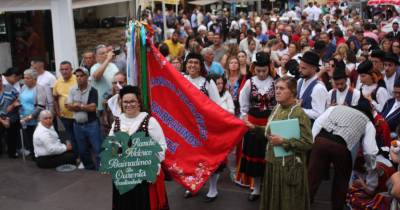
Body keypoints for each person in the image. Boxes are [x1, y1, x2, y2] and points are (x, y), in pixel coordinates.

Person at [308, 101, 379, 210]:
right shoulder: (367, 122)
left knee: (311, 179)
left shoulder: (336, 108)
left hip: (321, 140)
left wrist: (312, 145)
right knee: (341, 182)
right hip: (341, 147)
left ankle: (303, 204)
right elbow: (370, 152)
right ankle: (337, 207)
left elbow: (318, 123)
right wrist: (371, 169)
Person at [108, 85, 169, 210]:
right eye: (125, 102)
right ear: (121, 103)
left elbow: (162, 147)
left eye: (132, 101)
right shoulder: (117, 122)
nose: (128, 105)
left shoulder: (149, 121)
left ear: (138, 102)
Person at [260, 76, 312, 210]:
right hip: (273, 164)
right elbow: (270, 132)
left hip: (289, 168)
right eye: (276, 88)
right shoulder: (277, 108)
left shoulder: (299, 113)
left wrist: (284, 141)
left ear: (293, 92)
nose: (277, 91)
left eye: (282, 88)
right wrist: (253, 128)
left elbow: (307, 143)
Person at [182, 52, 221, 199]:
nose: (192, 65)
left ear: (201, 66)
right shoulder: (181, 79)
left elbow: (216, 105)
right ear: (186, 64)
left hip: (204, 128)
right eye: (190, 62)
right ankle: (192, 184)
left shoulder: (207, 82)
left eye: (196, 62)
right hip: (185, 127)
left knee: (207, 158)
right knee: (189, 158)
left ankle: (213, 188)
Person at [239, 52, 277, 201]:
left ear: (269, 68)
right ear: (254, 69)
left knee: (268, 157)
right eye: (258, 71)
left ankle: (270, 188)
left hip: (270, 125)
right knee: (255, 157)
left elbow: (279, 104)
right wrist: (245, 121)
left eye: (264, 71)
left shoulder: (275, 82)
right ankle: (256, 188)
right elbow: (243, 106)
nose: (261, 74)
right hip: (253, 125)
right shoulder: (249, 82)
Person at [66, 67, 102, 170]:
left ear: (87, 77)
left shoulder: (93, 90)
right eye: (77, 76)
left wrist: (79, 106)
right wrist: (84, 106)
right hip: (77, 124)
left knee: (97, 148)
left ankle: (101, 168)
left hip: (92, 124)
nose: (79, 78)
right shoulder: (72, 90)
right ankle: (89, 168)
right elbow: (68, 106)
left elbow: (93, 108)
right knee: (82, 150)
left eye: (82, 76)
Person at [19, 69, 47, 156]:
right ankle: (32, 154)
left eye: (28, 78)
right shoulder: (23, 87)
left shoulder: (39, 88)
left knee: (37, 139)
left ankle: (39, 156)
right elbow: (20, 101)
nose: (25, 80)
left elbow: (40, 106)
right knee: (28, 138)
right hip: (24, 118)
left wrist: (29, 117)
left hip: (35, 119)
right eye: (24, 78)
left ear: (34, 79)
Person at [53, 61, 78, 156]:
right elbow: (55, 98)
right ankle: (75, 156)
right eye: (62, 69)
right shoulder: (57, 82)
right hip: (65, 117)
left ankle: (83, 157)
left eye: (66, 69)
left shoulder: (77, 79)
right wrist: (58, 112)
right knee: (71, 137)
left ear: (71, 69)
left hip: (77, 115)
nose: (64, 71)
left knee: (79, 137)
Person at [297, 51, 328, 123]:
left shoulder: (318, 88)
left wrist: (299, 109)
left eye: (303, 68)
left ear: (314, 68)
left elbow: (319, 114)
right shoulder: (300, 81)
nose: (300, 70)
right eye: (299, 67)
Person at [90, 44, 119, 113]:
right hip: (101, 107)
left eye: (106, 52)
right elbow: (96, 76)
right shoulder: (94, 67)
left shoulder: (113, 65)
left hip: (114, 103)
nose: (106, 54)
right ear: (96, 56)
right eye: (102, 53)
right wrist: (108, 59)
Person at [0, 76, 19, 158]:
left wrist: (12, 105)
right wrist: (2, 121)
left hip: (12, 116)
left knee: (12, 128)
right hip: (0, 117)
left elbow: (18, 98)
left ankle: (12, 151)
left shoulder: (9, 88)